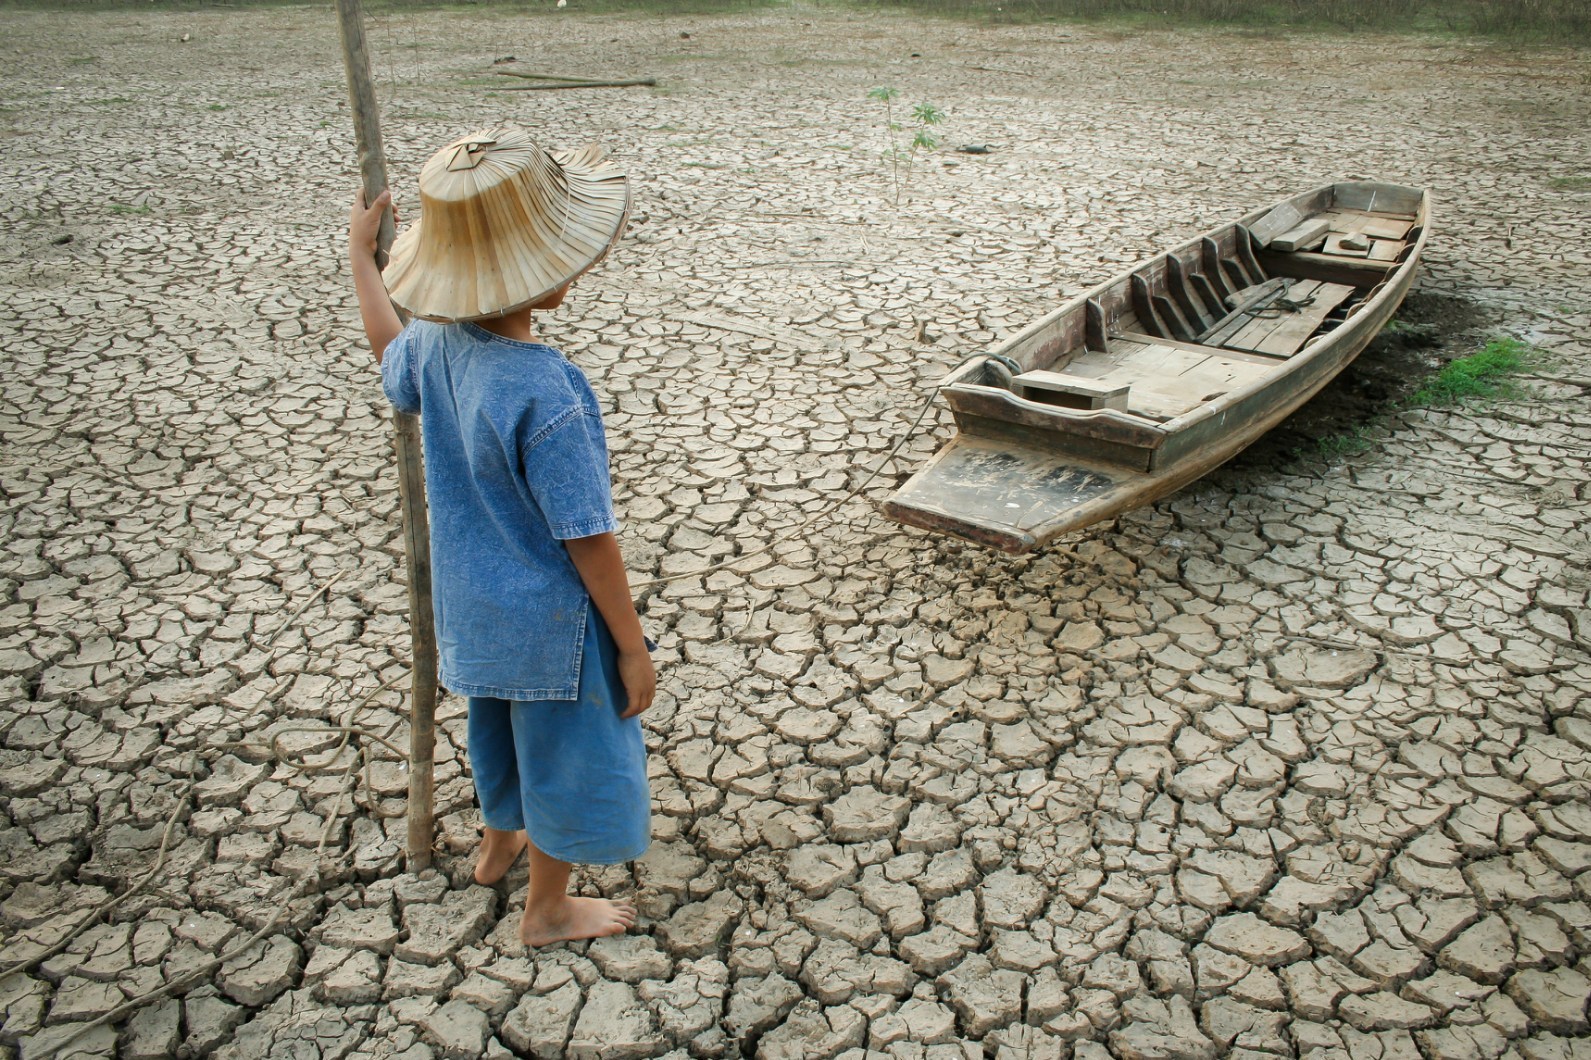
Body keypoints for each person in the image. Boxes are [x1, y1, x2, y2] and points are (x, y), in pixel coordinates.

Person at [346, 126, 655, 946]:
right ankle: (547, 908)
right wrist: (629, 643)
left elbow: (389, 352)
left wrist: (360, 263)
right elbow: (587, 535)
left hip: (471, 608)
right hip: (550, 623)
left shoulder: (438, 346)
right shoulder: (546, 389)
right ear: (549, 274)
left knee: (497, 732)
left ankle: (496, 845)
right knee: (562, 754)